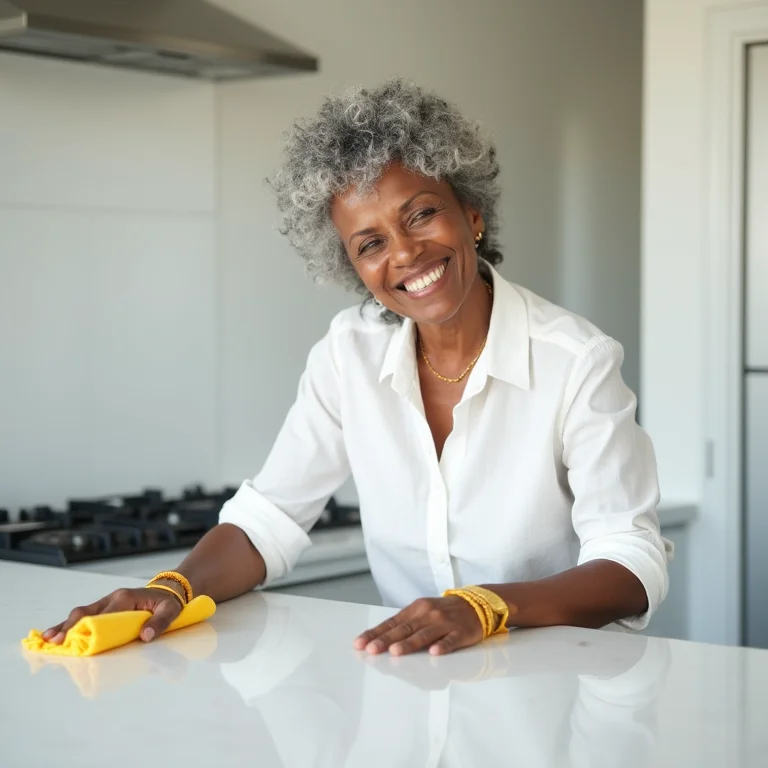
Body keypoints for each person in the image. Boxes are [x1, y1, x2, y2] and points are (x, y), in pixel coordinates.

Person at [44, 79, 671, 656]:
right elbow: (270, 517)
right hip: (418, 678)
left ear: (472, 215)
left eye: (422, 213)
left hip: (561, 684)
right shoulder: (349, 353)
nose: (404, 253)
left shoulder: (575, 361)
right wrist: (174, 589)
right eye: (370, 243)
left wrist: (487, 607)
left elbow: (633, 564)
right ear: (354, 269)